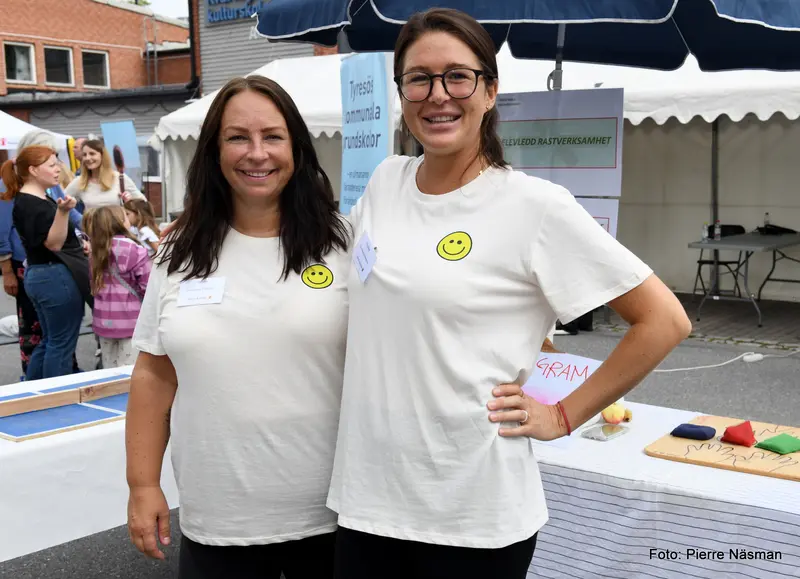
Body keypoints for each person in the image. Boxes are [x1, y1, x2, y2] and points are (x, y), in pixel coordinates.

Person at [328, 9, 692, 579]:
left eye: (458, 76)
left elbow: (664, 321)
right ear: (401, 92)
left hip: (472, 514)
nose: (438, 95)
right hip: (367, 501)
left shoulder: (533, 206)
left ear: (490, 90)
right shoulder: (385, 182)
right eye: (419, 79)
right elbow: (333, 271)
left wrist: (564, 415)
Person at [126, 75, 350, 579]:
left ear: (296, 147)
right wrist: (142, 484)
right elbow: (154, 375)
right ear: (214, 150)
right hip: (219, 518)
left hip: (334, 515)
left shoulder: (344, 243)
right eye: (237, 137)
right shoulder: (177, 252)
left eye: (272, 136)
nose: (257, 153)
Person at [1, 146, 91, 380]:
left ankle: (34, 391)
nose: (58, 168)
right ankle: (57, 395)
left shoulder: (35, 199)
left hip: (43, 274)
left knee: (51, 340)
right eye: (51, 165)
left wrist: (79, 240)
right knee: (61, 343)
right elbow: (53, 243)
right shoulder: (32, 203)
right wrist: (63, 212)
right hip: (54, 276)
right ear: (33, 170)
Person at [83, 206, 151, 368]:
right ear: (120, 221)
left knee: (110, 370)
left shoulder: (95, 252)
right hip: (131, 322)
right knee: (129, 371)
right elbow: (148, 287)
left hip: (103, 322)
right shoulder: (136, 250)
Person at [65, 140, 145, 209]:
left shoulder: (120, 178)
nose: (88, 158)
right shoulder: (80, 181)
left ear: (102, 156)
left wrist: (130, 202)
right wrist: (78, 218)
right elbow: (61, 202)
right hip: (91, 223)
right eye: (84, 155)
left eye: (92, 154)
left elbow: (144, 203)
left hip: (117, 222)